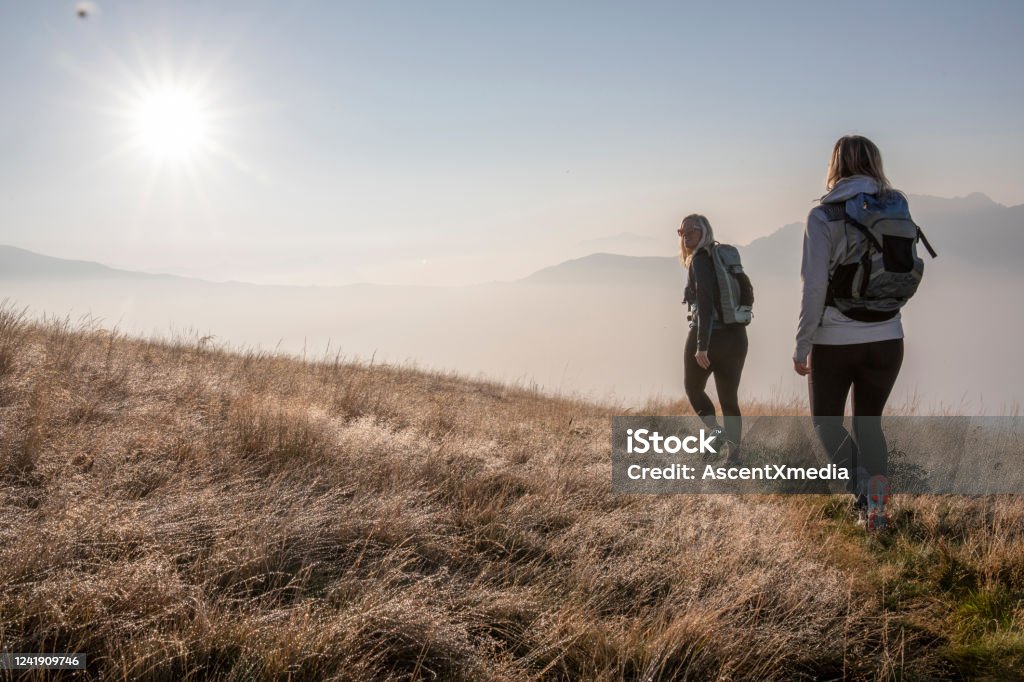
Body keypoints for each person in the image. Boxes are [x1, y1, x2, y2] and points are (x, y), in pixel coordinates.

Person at [793, 135, 905, 531]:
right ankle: (877, 509)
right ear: (875, 162)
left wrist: (802, 344)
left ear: (834, 165)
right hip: (888, 336)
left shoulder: (822, 216)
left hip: (835, 340)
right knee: (869, 423)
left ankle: (863, 499)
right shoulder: (896, 205)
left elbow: (813, 287)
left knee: (827, 423)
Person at [679, 214, 751, 461]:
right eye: (682, 231)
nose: (686, 235)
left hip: (709, 337)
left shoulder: (700, 260)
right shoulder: (725, 257)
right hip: (737, 338)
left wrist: (702, 346)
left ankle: (716, 432)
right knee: (729, 399)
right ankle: (734, 458)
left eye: (691, 230)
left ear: (704, 231)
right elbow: (748, 291)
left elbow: (706, 304)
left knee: (693, 388)